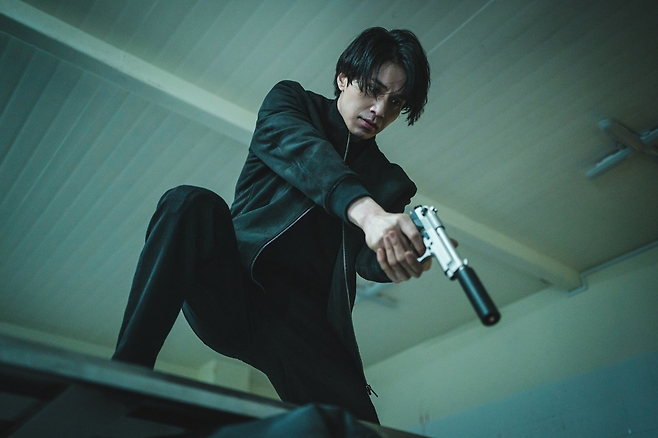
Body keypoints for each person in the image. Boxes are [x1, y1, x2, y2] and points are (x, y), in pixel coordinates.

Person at [112, 27, 432, 424]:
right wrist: (367, 212)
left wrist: (409, 248)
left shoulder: (390, 182)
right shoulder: (291, 103)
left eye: (395, 102)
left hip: (301, 324)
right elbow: (306, 156)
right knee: (189, 203)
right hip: (234, 287)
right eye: (372, 89)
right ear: (343, 78)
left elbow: (368, 261)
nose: (380, 110)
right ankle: (124, 375)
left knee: (359, 430)